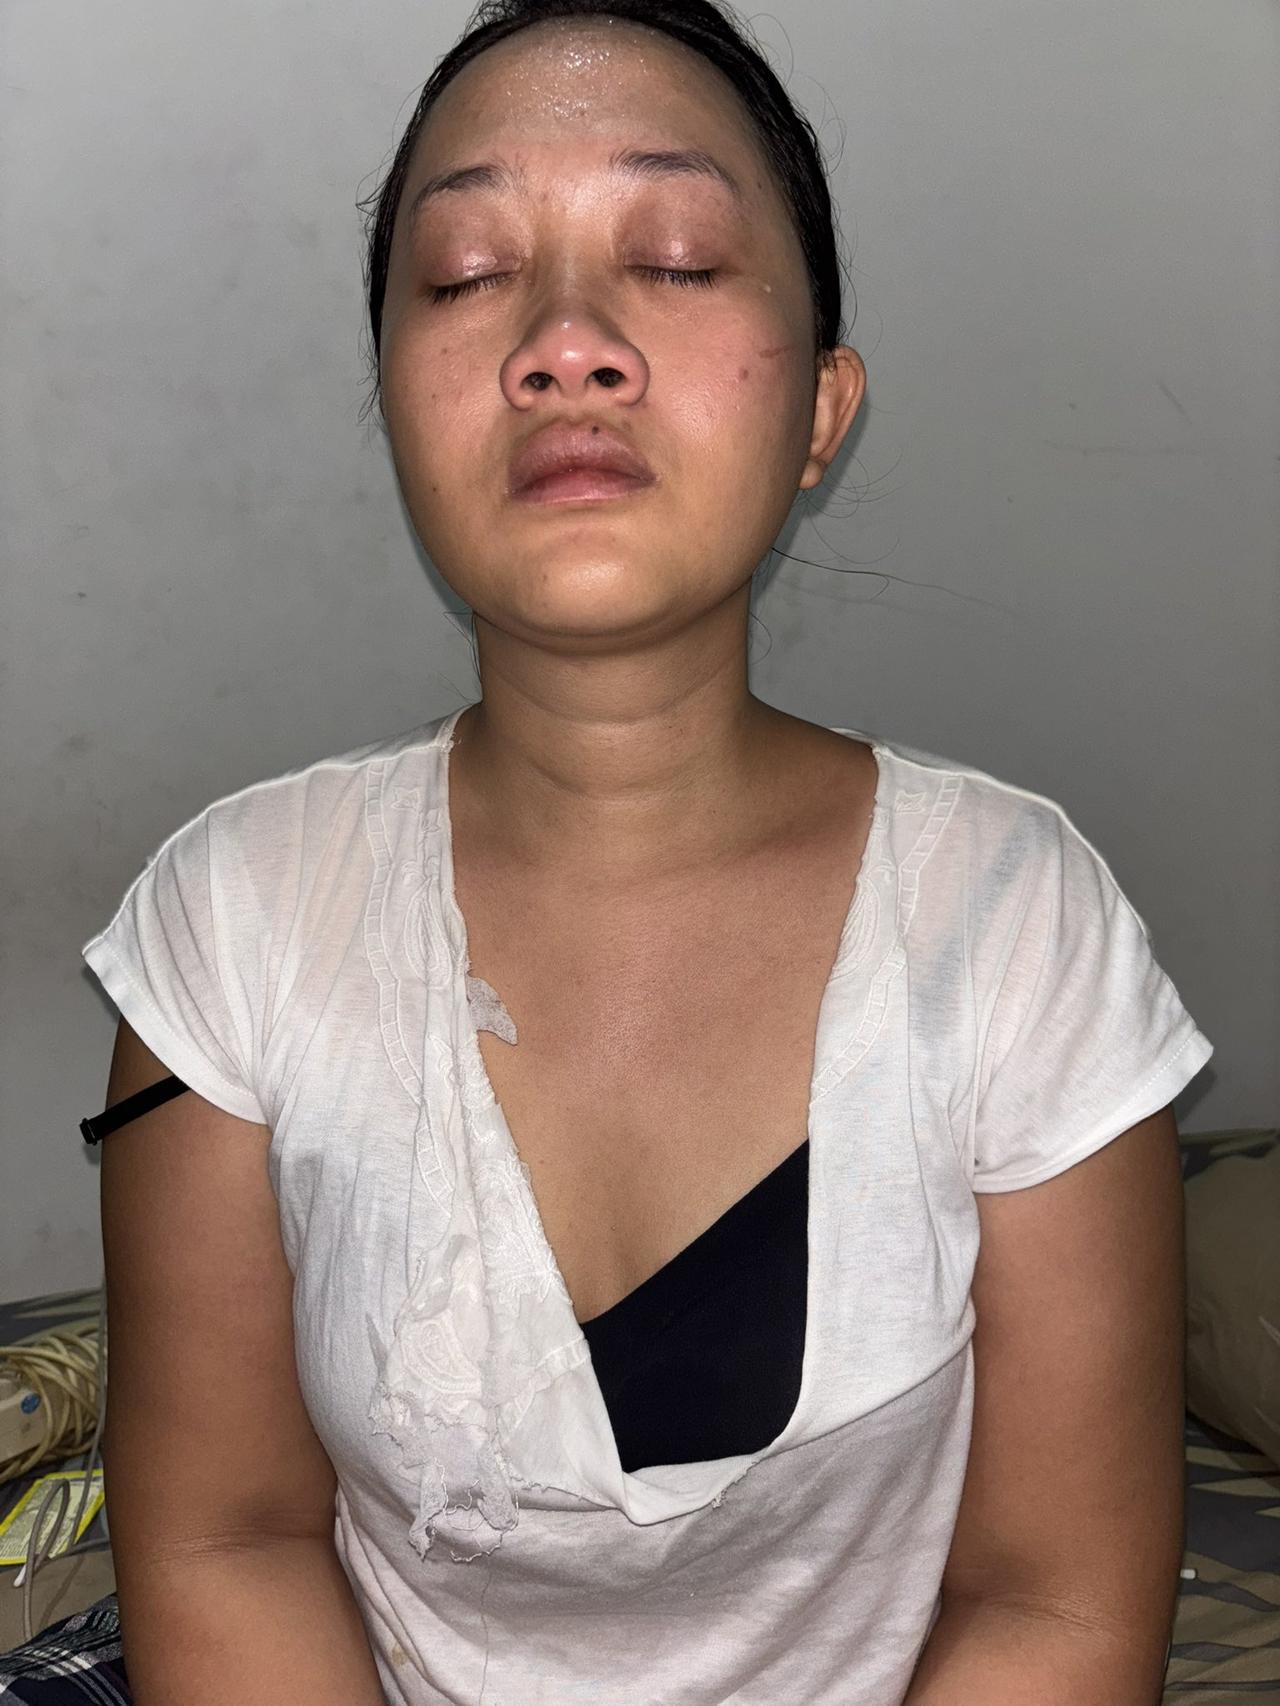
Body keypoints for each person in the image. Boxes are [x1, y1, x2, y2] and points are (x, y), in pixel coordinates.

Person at [75, 2, 1212, 1702]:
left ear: (821, 410)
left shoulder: (1020, 925)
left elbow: (1052, 1602)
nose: (566, 342)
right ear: (395, 408)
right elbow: (229, 1538)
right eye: (467, 274)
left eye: (675, 258)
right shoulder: (226, 928)